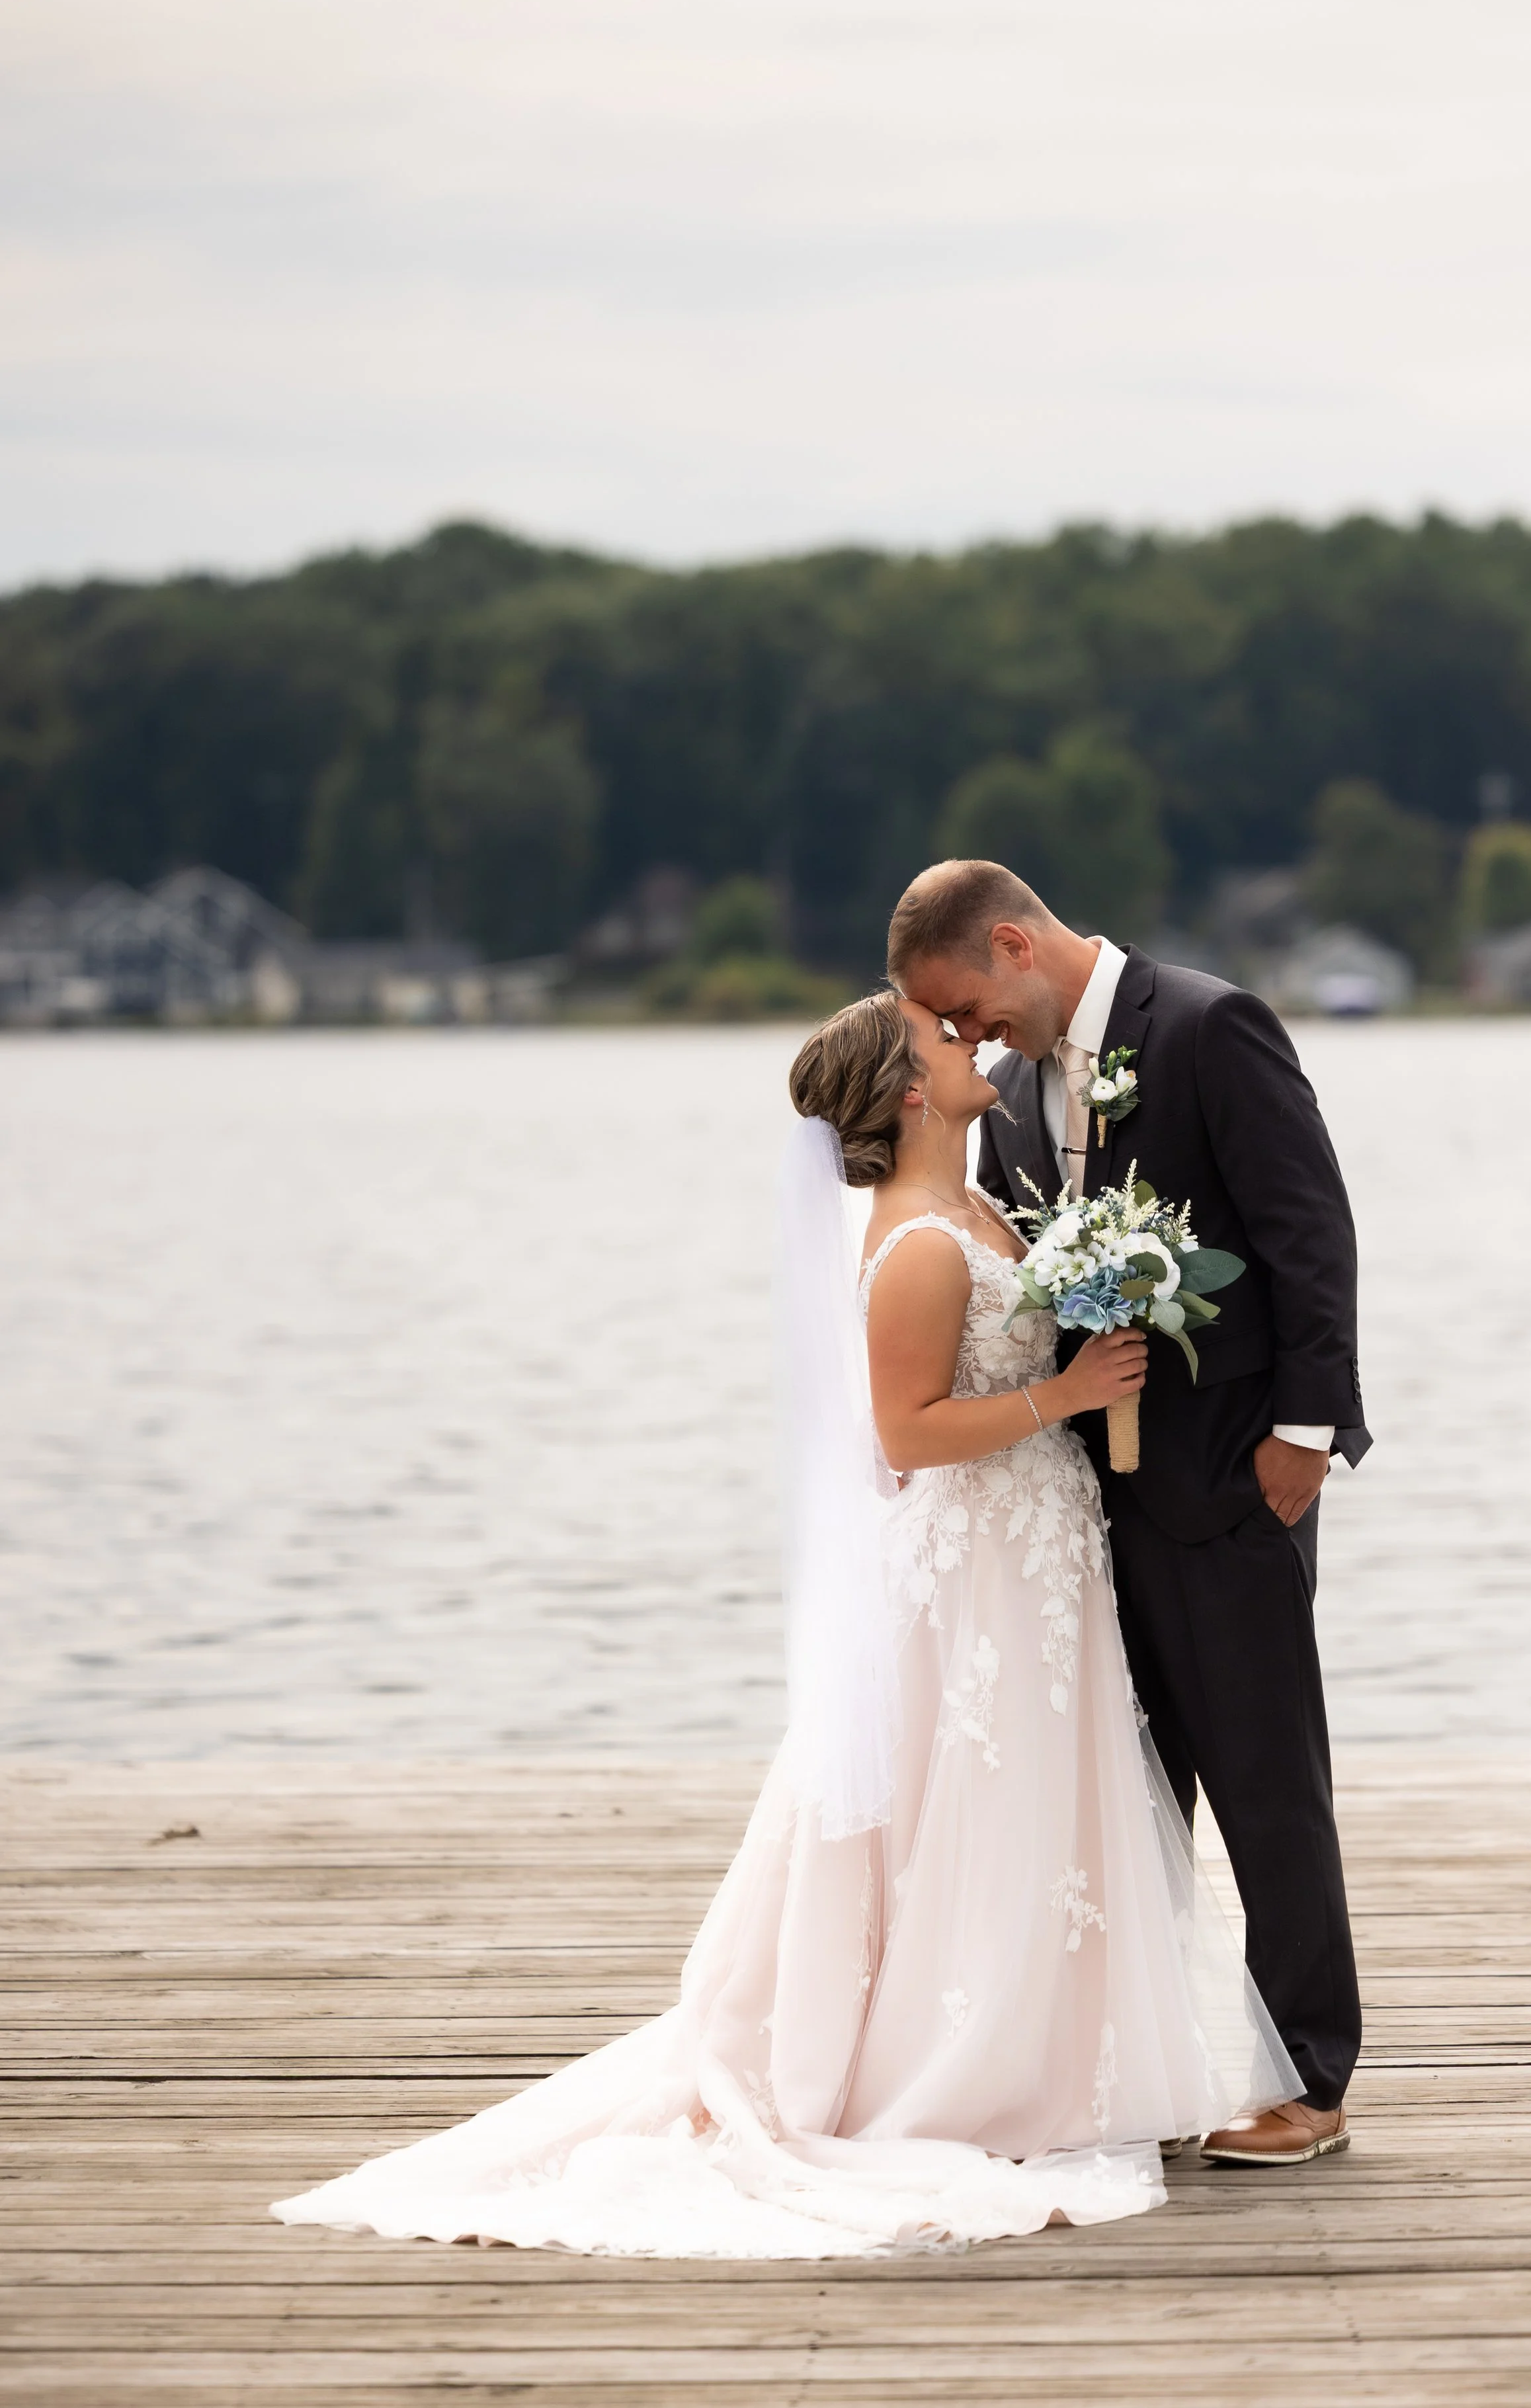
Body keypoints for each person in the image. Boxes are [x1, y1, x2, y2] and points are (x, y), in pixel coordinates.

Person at [272, 991, 1300, 2258]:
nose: (966, 1042)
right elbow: (907, 1433)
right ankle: (956, 2069)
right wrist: (1065, 1390)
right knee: (971, 1800)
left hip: (1033, 1554)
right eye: (941, 1037)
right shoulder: (920, 1242)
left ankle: (1043, 2053)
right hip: (975, 1563)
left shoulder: (979, 1204)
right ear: (911, 1089)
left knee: (1022, 1803)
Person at [890, 859, 1367, 2165]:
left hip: (1230, 1483)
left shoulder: (1211, 1028)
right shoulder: (1018, 1093)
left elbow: (1305, 1235)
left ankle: (1308, 2081)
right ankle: (1130, 2069)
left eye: (970, 1010)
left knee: (1265, 1785)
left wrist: (1304, 1436)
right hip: (1085, 1509)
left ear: (1013, 944)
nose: (970, 1040)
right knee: (1124, 1794)